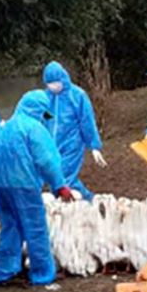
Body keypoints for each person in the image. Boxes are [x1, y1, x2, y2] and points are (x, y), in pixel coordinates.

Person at [0, 90, 74, 286]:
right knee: (35, 228)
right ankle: (42, 272)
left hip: (1, 186)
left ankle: (5, 270)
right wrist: (59, 184)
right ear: (39, 111)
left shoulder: (6, 128)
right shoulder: (34, 128)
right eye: (44, 114)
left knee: (10, 227)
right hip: (24, 185)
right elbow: (46, 160)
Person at [42, 61, 106, 199]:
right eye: (49, 84)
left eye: (56, 83)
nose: (53, 87)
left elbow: (87, 121)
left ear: (62, 79)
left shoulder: (77, 96)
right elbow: (43, 116)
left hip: (72, 143)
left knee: (65, 176)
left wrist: (94, 146)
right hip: (52, 144)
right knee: (55, 176)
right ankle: (71, 202)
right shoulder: (46, 97)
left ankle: (89, 200)